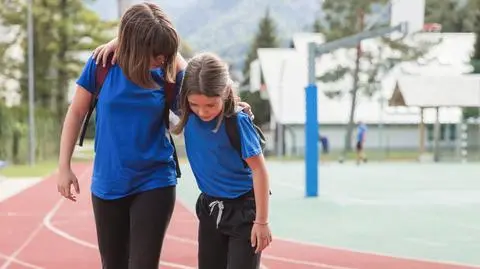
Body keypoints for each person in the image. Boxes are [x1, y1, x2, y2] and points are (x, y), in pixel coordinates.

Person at [57, 3, 185, 269]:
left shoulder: (169, 69)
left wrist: (234, 104)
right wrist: (63, 166)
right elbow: (77, 112)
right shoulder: (101, 64)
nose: (162, 58)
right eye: (156, 53)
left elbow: (205, 91)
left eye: (166, 53)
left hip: (155, 180)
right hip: (108, 182)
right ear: (137, 47)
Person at [171, 52, 272, 269]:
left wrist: (261, 222)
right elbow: (173, 54)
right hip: (210, 209)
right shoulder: (188, 113)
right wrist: (118, 41)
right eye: (195, 104)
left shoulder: (237, 121)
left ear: (225, 92)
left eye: (210, 105)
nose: (202, 111)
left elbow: (260, 170)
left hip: (243, 211)